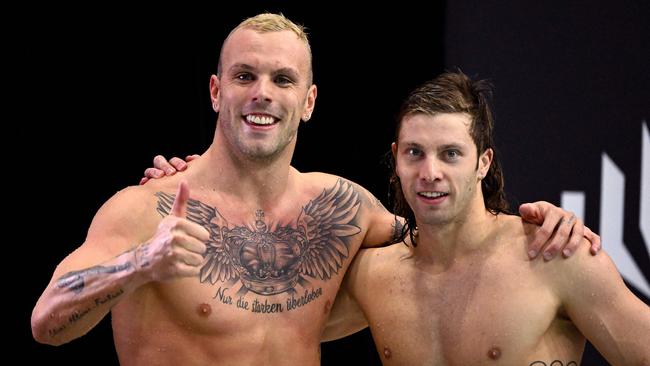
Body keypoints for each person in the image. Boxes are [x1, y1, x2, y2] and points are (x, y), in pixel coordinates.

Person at [31, 14, 598, 366]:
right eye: (244, 76)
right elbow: (46, 322)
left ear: (308, 101)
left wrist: (539, 221)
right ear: (215, 91)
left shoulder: (344, 209)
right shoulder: (146, 210)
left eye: (282, 80)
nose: (262, 93)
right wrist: (139, 265)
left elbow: (453, 239)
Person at [319, 71, 650, 365]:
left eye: (450, 154)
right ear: (396, 159)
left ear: (483, 162)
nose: (430, 173)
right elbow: (277, 332)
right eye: (414, 153)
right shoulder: (373, 276)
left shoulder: (555, 256)